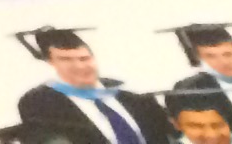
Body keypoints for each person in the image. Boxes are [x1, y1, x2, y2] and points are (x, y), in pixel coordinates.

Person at [13, 30, 178, 144]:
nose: (79, 66)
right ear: (51, 62)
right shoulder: (41, 105)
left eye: (84, 58)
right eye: (66, 60)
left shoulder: (136, 101)